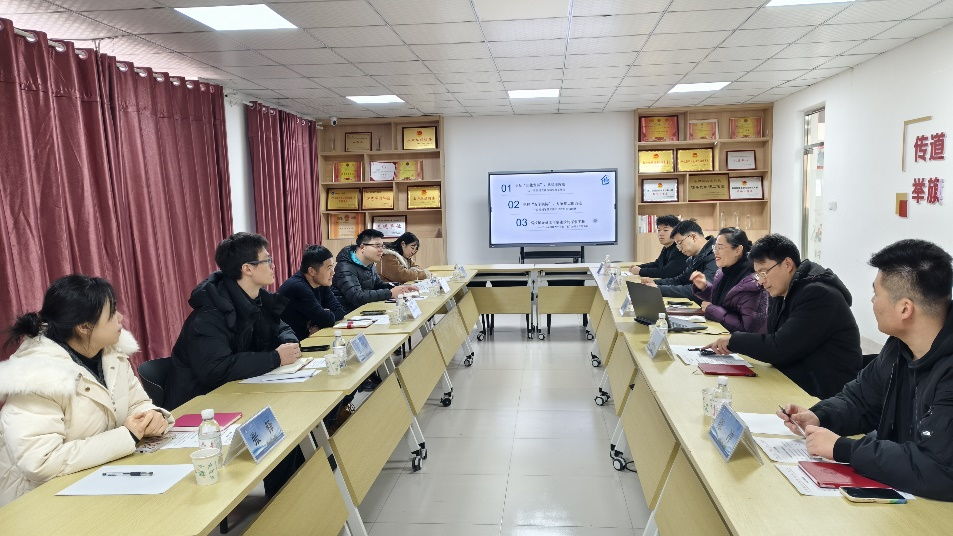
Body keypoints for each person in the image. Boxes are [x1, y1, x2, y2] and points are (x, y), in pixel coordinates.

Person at [778, 239, 953, 500]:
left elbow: (937, 469)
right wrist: (820, 416)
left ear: (905, 308)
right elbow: (860, 400)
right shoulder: (898, 347)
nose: (872, 301)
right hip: (905, 491)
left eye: (876, 293)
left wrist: (844, 449)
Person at [0, 275, 173, 506]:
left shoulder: (111, 353)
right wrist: (127, 436)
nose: (121, 318)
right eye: (112, 313)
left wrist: (152, 417)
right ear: (84, 327)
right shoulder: (35, 376)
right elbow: (40, 462)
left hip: (100, 479)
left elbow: (137, 403)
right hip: (40, 501)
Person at [165, 232, 301, 498]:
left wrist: (288, 344)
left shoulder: (256, 298)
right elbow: (215, 369)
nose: (273, 265)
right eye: (267, 260)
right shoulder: (210, 313)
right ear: (247, 268)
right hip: (204, 404)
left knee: (292, 424)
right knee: (280, 427)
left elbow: (282, 328)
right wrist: (275, 358)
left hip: (238, 389)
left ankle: (291, 496)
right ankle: (282, 503)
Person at [704, 234, 861, 398]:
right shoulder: (783, 291)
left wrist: (734, 341)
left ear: (787, 264)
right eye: (758, 275)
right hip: (795, 380)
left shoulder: (819, 295)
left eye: (764, 272)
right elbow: (774, 339)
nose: (761, 281)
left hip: (825, 393)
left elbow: (780, 347)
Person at [690, 227, 768, 333]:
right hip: (721, 334)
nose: (715, 252)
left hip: (736, 341)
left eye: (720, 247)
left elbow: (748, 329)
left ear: (738, 250)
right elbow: (727, 301)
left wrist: (712, 310)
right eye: (715, 247)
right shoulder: (724, 272)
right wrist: (704, 288)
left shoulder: (753, 282)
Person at [333, 228, 417, 314]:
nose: (381, 250)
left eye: (382, 246)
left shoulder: (369, 263)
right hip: (348, 314)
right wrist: (390, 293)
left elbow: (378, 285)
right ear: (362, 247)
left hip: (365, 310)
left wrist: (401, 287)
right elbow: (357, 296)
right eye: (377, 246)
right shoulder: (345, 267)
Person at [278, 245, 346, 340]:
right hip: (289, 342)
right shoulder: (298, 287)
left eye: (332, 267)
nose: (333, 272)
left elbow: (339, 311)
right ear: (312, 271)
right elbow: (327, 319)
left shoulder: (321, 283)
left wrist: (316, 324)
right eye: (328, 268)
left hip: (306, 338)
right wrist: (322, 317)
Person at [641, 219, 716, 302]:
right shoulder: (695, 256)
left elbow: (698, 290)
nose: (679, 249)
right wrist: (656, 282)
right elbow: (681, 280)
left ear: (693, 237)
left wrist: (659, 289)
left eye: (680, 243)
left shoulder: (716, 256)